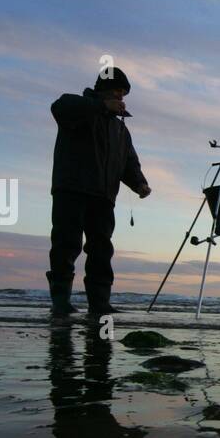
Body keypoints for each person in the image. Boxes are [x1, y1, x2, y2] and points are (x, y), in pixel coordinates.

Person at [47, 67, 152, 317]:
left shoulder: (120, 129)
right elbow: (59, 107)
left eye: (124, 93)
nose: (121, 96)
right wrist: (102, 107)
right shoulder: (78, 107)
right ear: (103, 90)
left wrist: (139, 183)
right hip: (71, 189)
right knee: (66, 245)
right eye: (118, 90)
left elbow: (128, 161)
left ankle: (99, 303)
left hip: (104, 197)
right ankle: (60, 303)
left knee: (101, 250)